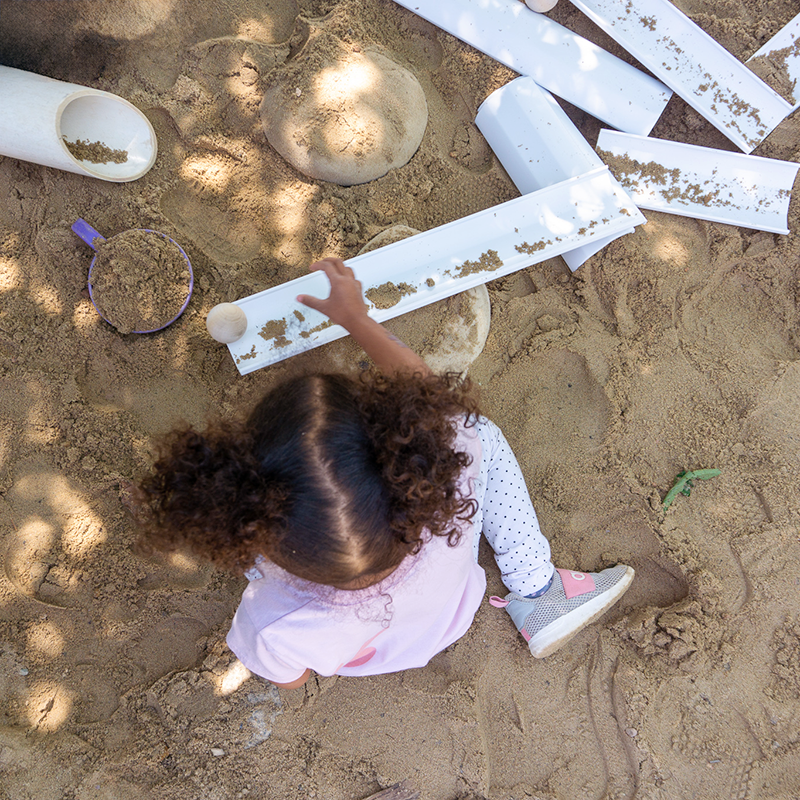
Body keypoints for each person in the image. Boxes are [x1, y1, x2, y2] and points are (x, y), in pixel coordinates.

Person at [138, 258, 633, 690]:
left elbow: (290, 676)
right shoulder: (447, 472)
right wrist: (358, 318)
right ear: (403, 449)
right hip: (448, 613)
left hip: (376, 652)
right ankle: (537, 588)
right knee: (476, 431)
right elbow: (423, 389)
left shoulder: (274, 623)